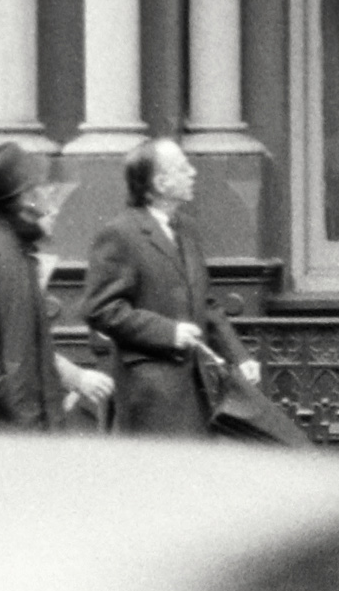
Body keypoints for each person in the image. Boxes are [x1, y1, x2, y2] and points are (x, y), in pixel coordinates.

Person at [85, 136, 258, 438]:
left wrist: (239, 356)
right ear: (160, 183)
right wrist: (169, 332)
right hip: (150, 396)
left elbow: (204, 303)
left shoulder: (186, 228)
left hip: (195, 388)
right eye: (183, 168)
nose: (193, 172)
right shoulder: (120, 233)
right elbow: (102, 309)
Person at [0, 144, 108, 430]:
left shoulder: (19, 251)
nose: (47, 198)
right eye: (40, 189)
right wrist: (8, 416)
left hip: (30, 427)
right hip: (10, 432)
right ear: (22, 198)